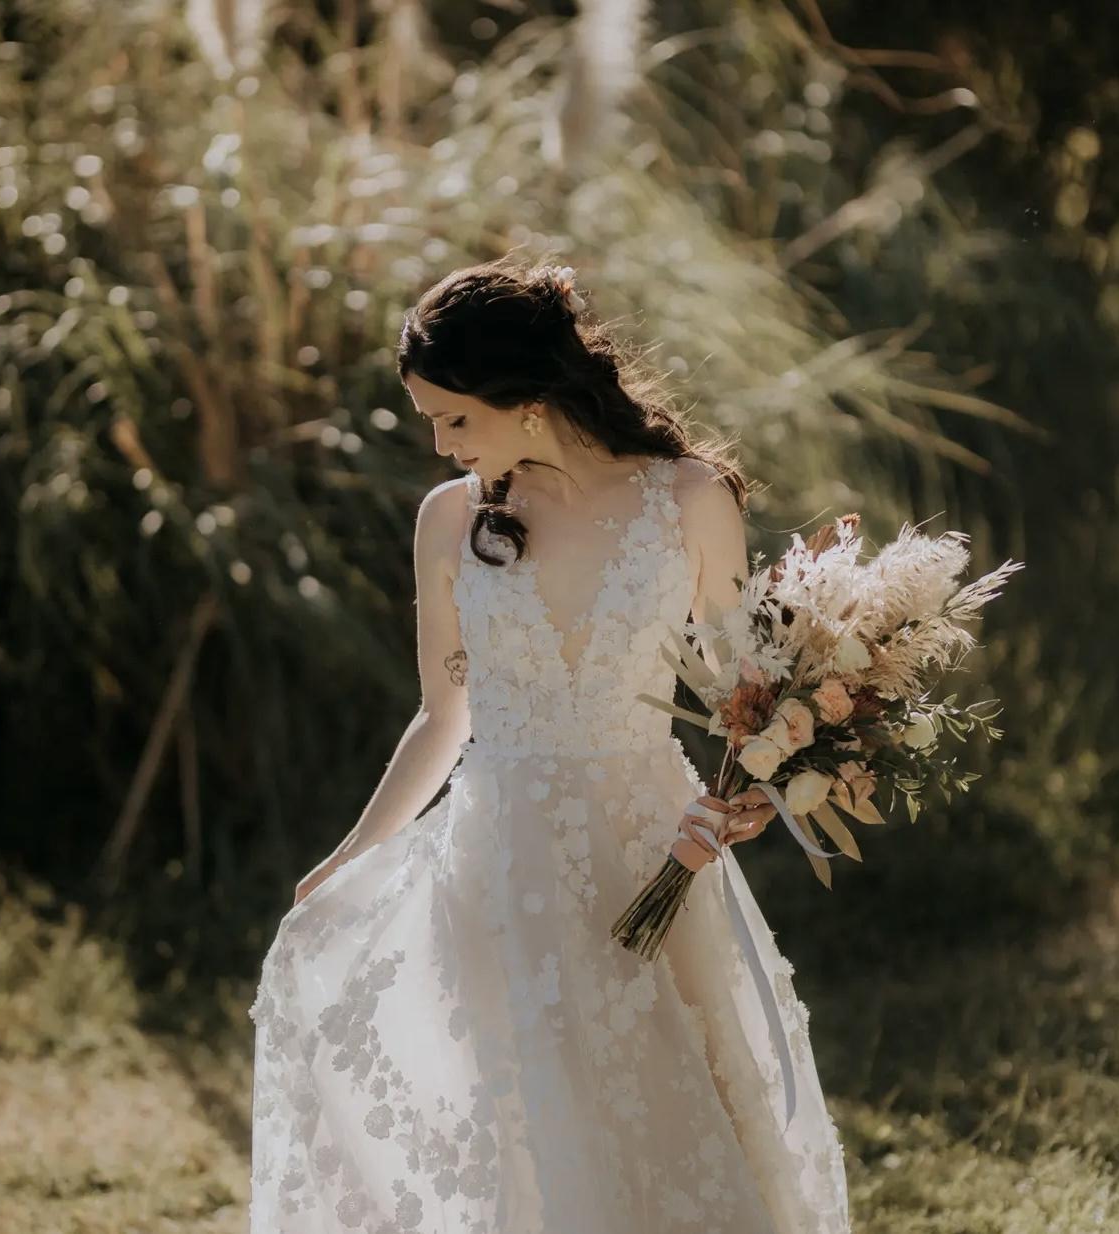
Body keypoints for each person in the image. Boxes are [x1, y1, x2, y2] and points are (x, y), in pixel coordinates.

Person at [248, 257, 852, 1233]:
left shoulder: (690, 497)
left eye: (454, 419)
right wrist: (352, 855)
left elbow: (741, 691)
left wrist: (753, 788)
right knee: (523, 1134)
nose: (442, 447)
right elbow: (442, 717)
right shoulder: (449, 522)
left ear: (526, 401)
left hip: (648, 847)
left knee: (661, 1117)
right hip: (495, 866)